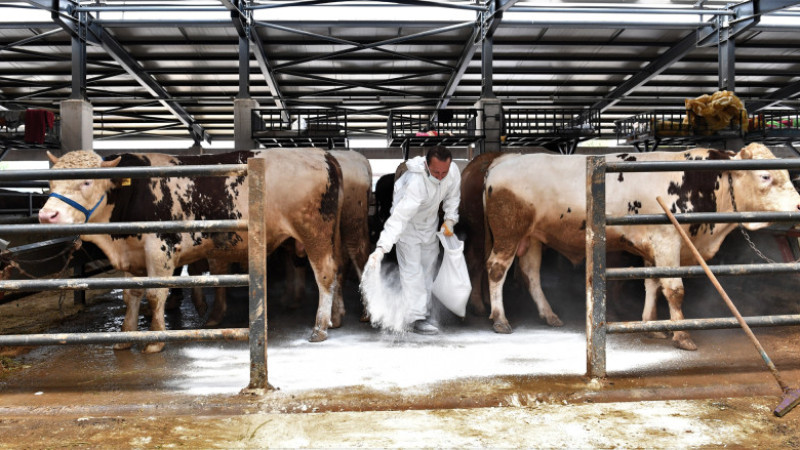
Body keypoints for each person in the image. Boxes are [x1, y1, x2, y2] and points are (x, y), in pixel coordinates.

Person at [367, 146, 461, 335]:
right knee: (412, 273)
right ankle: (415, 318)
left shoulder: (452, 172)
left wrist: (450, 219)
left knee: (427, 270)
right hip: (407, 230)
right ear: (426, 165)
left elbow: (452, 197)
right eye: (436, 172)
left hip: (429, 226)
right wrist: (382, 248)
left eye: (444, 172)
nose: (441, 176)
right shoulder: (414, 183)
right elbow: (399, 218)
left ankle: (423, 313)